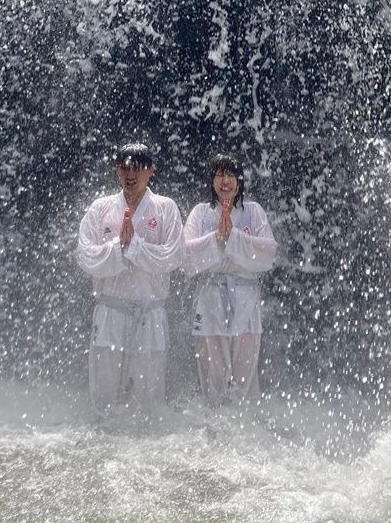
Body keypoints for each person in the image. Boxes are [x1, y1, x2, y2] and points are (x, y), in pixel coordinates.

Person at [76, 142, 185, 410]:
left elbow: (173, 255)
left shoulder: (165, 208)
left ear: (151, 171)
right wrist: (118, 249)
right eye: (125, 168)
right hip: (110, 312)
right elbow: (85, 256)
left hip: (150, 312)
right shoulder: (100, 208)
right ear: (116, 171)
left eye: (137, 168)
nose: (130, 175)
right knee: (104, 397)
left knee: (149, 400)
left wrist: (135, 247)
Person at [183, 153, 277, 403]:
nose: (225, 181)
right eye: (220, 175)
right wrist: (216, 239)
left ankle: (244, 420)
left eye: (231, 175)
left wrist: (233, 238)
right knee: (212, 379)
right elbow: (185, 255)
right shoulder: (200, 213)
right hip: (210, 301)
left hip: (245, 300)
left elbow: (268, 253)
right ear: (212, 180)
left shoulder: (253, 212)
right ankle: (213, 417)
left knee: (245, 381)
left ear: (239, 180)